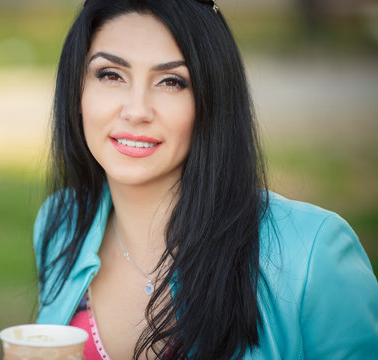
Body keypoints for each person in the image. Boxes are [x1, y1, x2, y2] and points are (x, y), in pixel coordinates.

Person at [32, 0, 378, 359]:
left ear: (212, 100)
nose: (136, 111)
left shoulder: (311, 253)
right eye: (110, 75)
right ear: (76, 91)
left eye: (171, 81)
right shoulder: (61, 224)